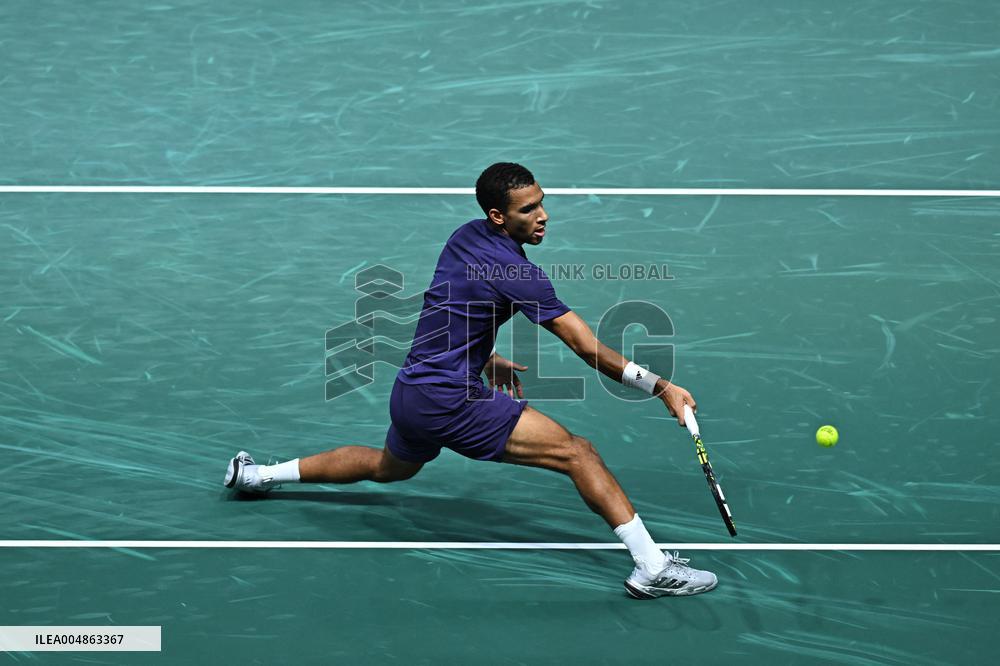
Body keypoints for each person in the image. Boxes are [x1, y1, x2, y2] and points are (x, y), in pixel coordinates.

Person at [224, 162, 717, 598]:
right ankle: (652, 567)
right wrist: (662, 387)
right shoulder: (521, 275)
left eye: (542, 203)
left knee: (389, 468)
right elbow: (587, 348)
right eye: (528, 210)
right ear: (499, 216)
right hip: (450, 400)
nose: (542, 216)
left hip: (413, 393)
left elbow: (449, 306)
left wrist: (486, 355)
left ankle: (259, 476)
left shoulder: (464, 236)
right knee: (577, 452)